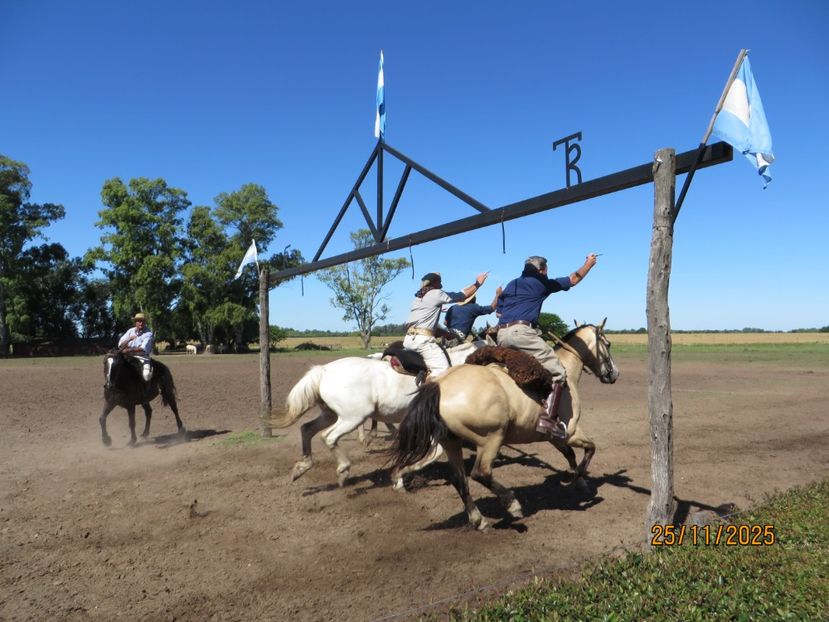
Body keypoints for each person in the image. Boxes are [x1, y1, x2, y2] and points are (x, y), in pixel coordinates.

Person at [496, 254, 598, 439]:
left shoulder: (512, 284)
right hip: (522, 333)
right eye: (546, 270)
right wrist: (588, 264)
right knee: (558, 370)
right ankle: (548, 421)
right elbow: (573, 279)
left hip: (501, 335)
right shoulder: (541, 282)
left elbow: (498, 312)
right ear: (542, 270)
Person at [404, 271, 489, 375]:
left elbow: (426, 328)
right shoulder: (436, 293)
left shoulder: (417, 299)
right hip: (422, 342)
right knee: (443, 371)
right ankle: (428, 391)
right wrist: (478, 283)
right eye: (439, 282)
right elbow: (462, 295)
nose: (441, 286)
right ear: (434, 282)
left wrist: (447, 334)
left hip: (408, 340)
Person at [117, 312, 155, 382]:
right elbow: (120, 345)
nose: (141, 323)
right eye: (139, 321)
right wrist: (129, 339)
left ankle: (147, 391)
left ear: (145, 322)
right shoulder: (130, 331)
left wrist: (128, 350)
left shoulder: (148, 334)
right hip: (128, 357)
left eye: (143, 321)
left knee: (146, 375)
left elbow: (143, 348)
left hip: (142, 357)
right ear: (135, 322)